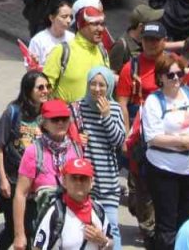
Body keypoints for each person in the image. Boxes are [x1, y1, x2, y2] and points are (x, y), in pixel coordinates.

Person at [140, 52, 189, 250]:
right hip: (165, 169)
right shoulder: (154, 101)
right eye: (170, 75)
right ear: (160, 77)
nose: (176, 79)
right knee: (167, 227)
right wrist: (181, 141)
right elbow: (152, 137)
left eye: (179, 73)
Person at [11, 99, 84, 250]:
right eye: (55, 119)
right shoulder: (33, 152)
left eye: (64, 119)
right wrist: (19, 234)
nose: (60, 123)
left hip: (71, 228)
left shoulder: (76, 149)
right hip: (40, 227)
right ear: (44, 123)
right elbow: (20, 194)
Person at [0, 71, 51, 250]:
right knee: (15, 228)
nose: (45, 91)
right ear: (28, 90)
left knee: (28, 228)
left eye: (47, 87)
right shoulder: (13, 111)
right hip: (13, 181)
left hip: (36, 184)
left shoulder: (47, 114)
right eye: (40, 87)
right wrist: (2, 179)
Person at [71, 67, 125, 249]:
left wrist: (107, 116)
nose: (97, 89)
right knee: (83, 229)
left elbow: (119, 141)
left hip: (107, 181)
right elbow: (68, 137)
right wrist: (76, 138)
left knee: (112, 227)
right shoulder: (77, 108)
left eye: (102, 85)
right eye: (93, 84)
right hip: (83, 180)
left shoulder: (115, 109)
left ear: (109, 87)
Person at [28, 157, 114, 250]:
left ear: (91, 182)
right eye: (74, 178)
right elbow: (37, 247)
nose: (78, 182)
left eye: (83, 178)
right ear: (64, 182)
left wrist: (103, 241)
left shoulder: (98, 210)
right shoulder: (55, 213)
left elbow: (111, 244)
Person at [43, 0, 108, 103]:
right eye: (95, 24)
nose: (101, 29)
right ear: (81, 26)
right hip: (65, 118)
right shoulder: (62, 51)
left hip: (96, 118)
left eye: (102, 24)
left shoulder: (102, 52)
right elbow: (44, 90)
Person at [108, 4, 164, 79]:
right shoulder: (121, 45)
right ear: (141, 27)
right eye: (152, 23)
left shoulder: (145, 42)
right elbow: (110, 75)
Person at [29, 0, 75, 69]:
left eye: (70, 17)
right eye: (64, 16)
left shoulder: (73, 38)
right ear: (51, 18)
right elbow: (30, 69)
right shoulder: (38, 40)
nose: (69, 21)